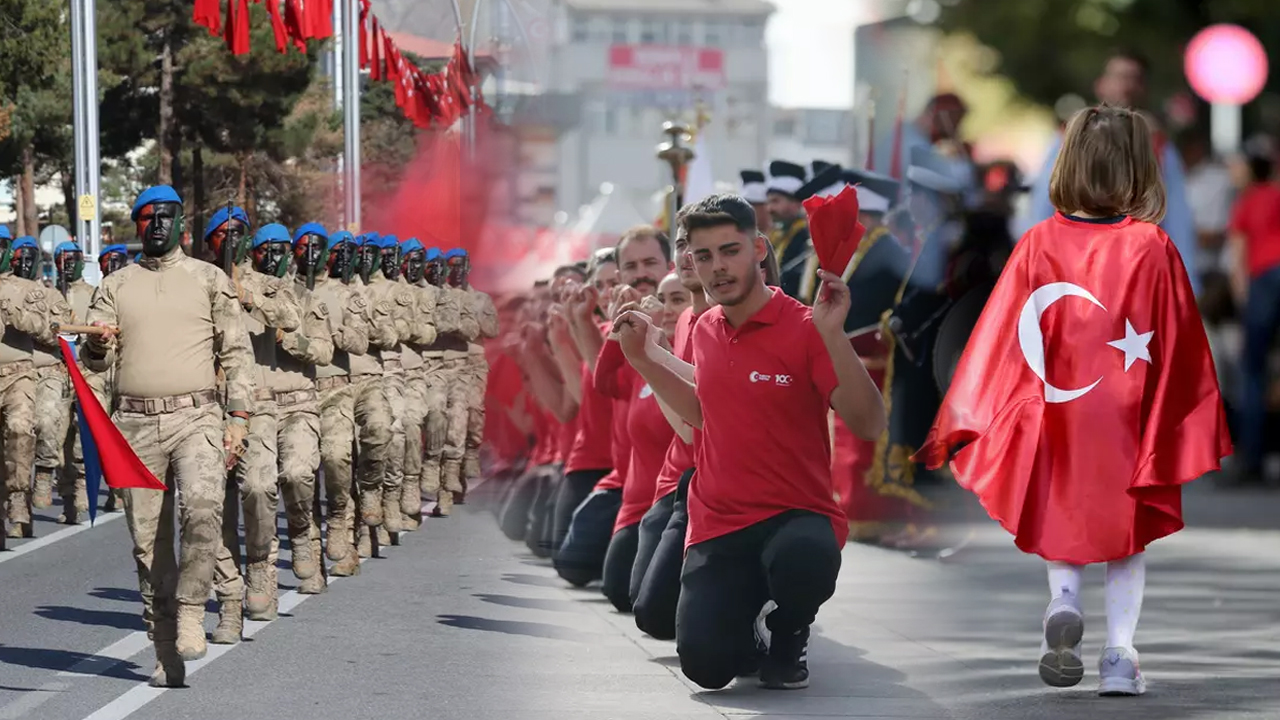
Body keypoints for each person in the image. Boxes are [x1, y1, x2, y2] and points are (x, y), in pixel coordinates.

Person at [916, 105, 1230, 697]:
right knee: (1126, 536)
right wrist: (1190, 418)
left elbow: (1002, 336)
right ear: (1141, 169)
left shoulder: (1037, 243)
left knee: (1062, 515)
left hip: (1057, 412)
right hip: (1129, 417)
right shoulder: (1153, 246)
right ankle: (1120, 655)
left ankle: (1062, 602)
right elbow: (1181, 340)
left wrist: (975, 412)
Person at [615, 193, 886, 690]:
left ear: (759, 248)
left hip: (795, 514)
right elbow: (704, 413)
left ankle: (789, 629)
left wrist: (834, 335)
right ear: (691, 262)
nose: (717, 267)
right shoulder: (704, 329)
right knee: (707, 669)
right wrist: (643, 359)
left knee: (805, 556)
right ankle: (748, 622)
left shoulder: (807, 326)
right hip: (719, 524)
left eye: (729, 250)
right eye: (704, 255)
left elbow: (869, 424)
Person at [83, 184, 255, 686]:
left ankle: (191, 613)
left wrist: (238, 418)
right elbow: (100, 360)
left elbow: (238, 355)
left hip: (196, 416)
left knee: (203, 510)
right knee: (147, 544)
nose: (158, 225)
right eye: (147, 217)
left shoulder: (209, 279)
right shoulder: (115, 285)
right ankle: (164, 651)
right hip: (134, 425)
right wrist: (95, 347)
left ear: (182, 223)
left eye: (168, 216)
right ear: (137, 226)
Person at [1026, 49, 1198, 295]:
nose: (1126, 86)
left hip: (1135, 269)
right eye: (1119, 76)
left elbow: (1178, 217)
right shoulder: (1070, 139)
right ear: (1101, 85)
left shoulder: (1159, 146)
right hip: (1072, 266)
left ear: (1143, 88)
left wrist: (1186, 281)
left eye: (1134, 78)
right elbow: (1043, 204)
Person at [210, 219, 304, 641]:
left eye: (238, 233)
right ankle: (228, 599)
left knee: (258, 487)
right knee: (211, 506)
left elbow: (291, 316)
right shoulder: (198, 277)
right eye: (222, 234)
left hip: (258, 404)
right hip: (207, 404)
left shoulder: (267, 282)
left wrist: (245, 296)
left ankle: (262, 565)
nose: (231, 241)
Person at [304, 226, 371, 577]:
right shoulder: (289, 291)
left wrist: (332, 332)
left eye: (318, 248)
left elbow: (360, 342)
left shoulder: (346, 295)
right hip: (296, 395)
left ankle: (341, 521)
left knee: (336, 459)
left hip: (335, 390)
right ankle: (313, 564)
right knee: (299, 479)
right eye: (304, 248)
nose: (311, 254)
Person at [0, 234, 65, 541]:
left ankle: (18, 496)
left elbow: (48, 331)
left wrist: (15, 315)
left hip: (19, 374)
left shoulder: (29, 290)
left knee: (20, 428)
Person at [1224, 150, 1280, 485]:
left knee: (1252, 370)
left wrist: (1242, 297)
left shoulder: (1246, 202)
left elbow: (1238, 252)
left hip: (1262, 280)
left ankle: (1252, 459)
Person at [765, 160, 814, 302]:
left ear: (795, 203)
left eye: (775, 201)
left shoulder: (804, 236)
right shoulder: (778, 235)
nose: (769, 209)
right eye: (768, 202)